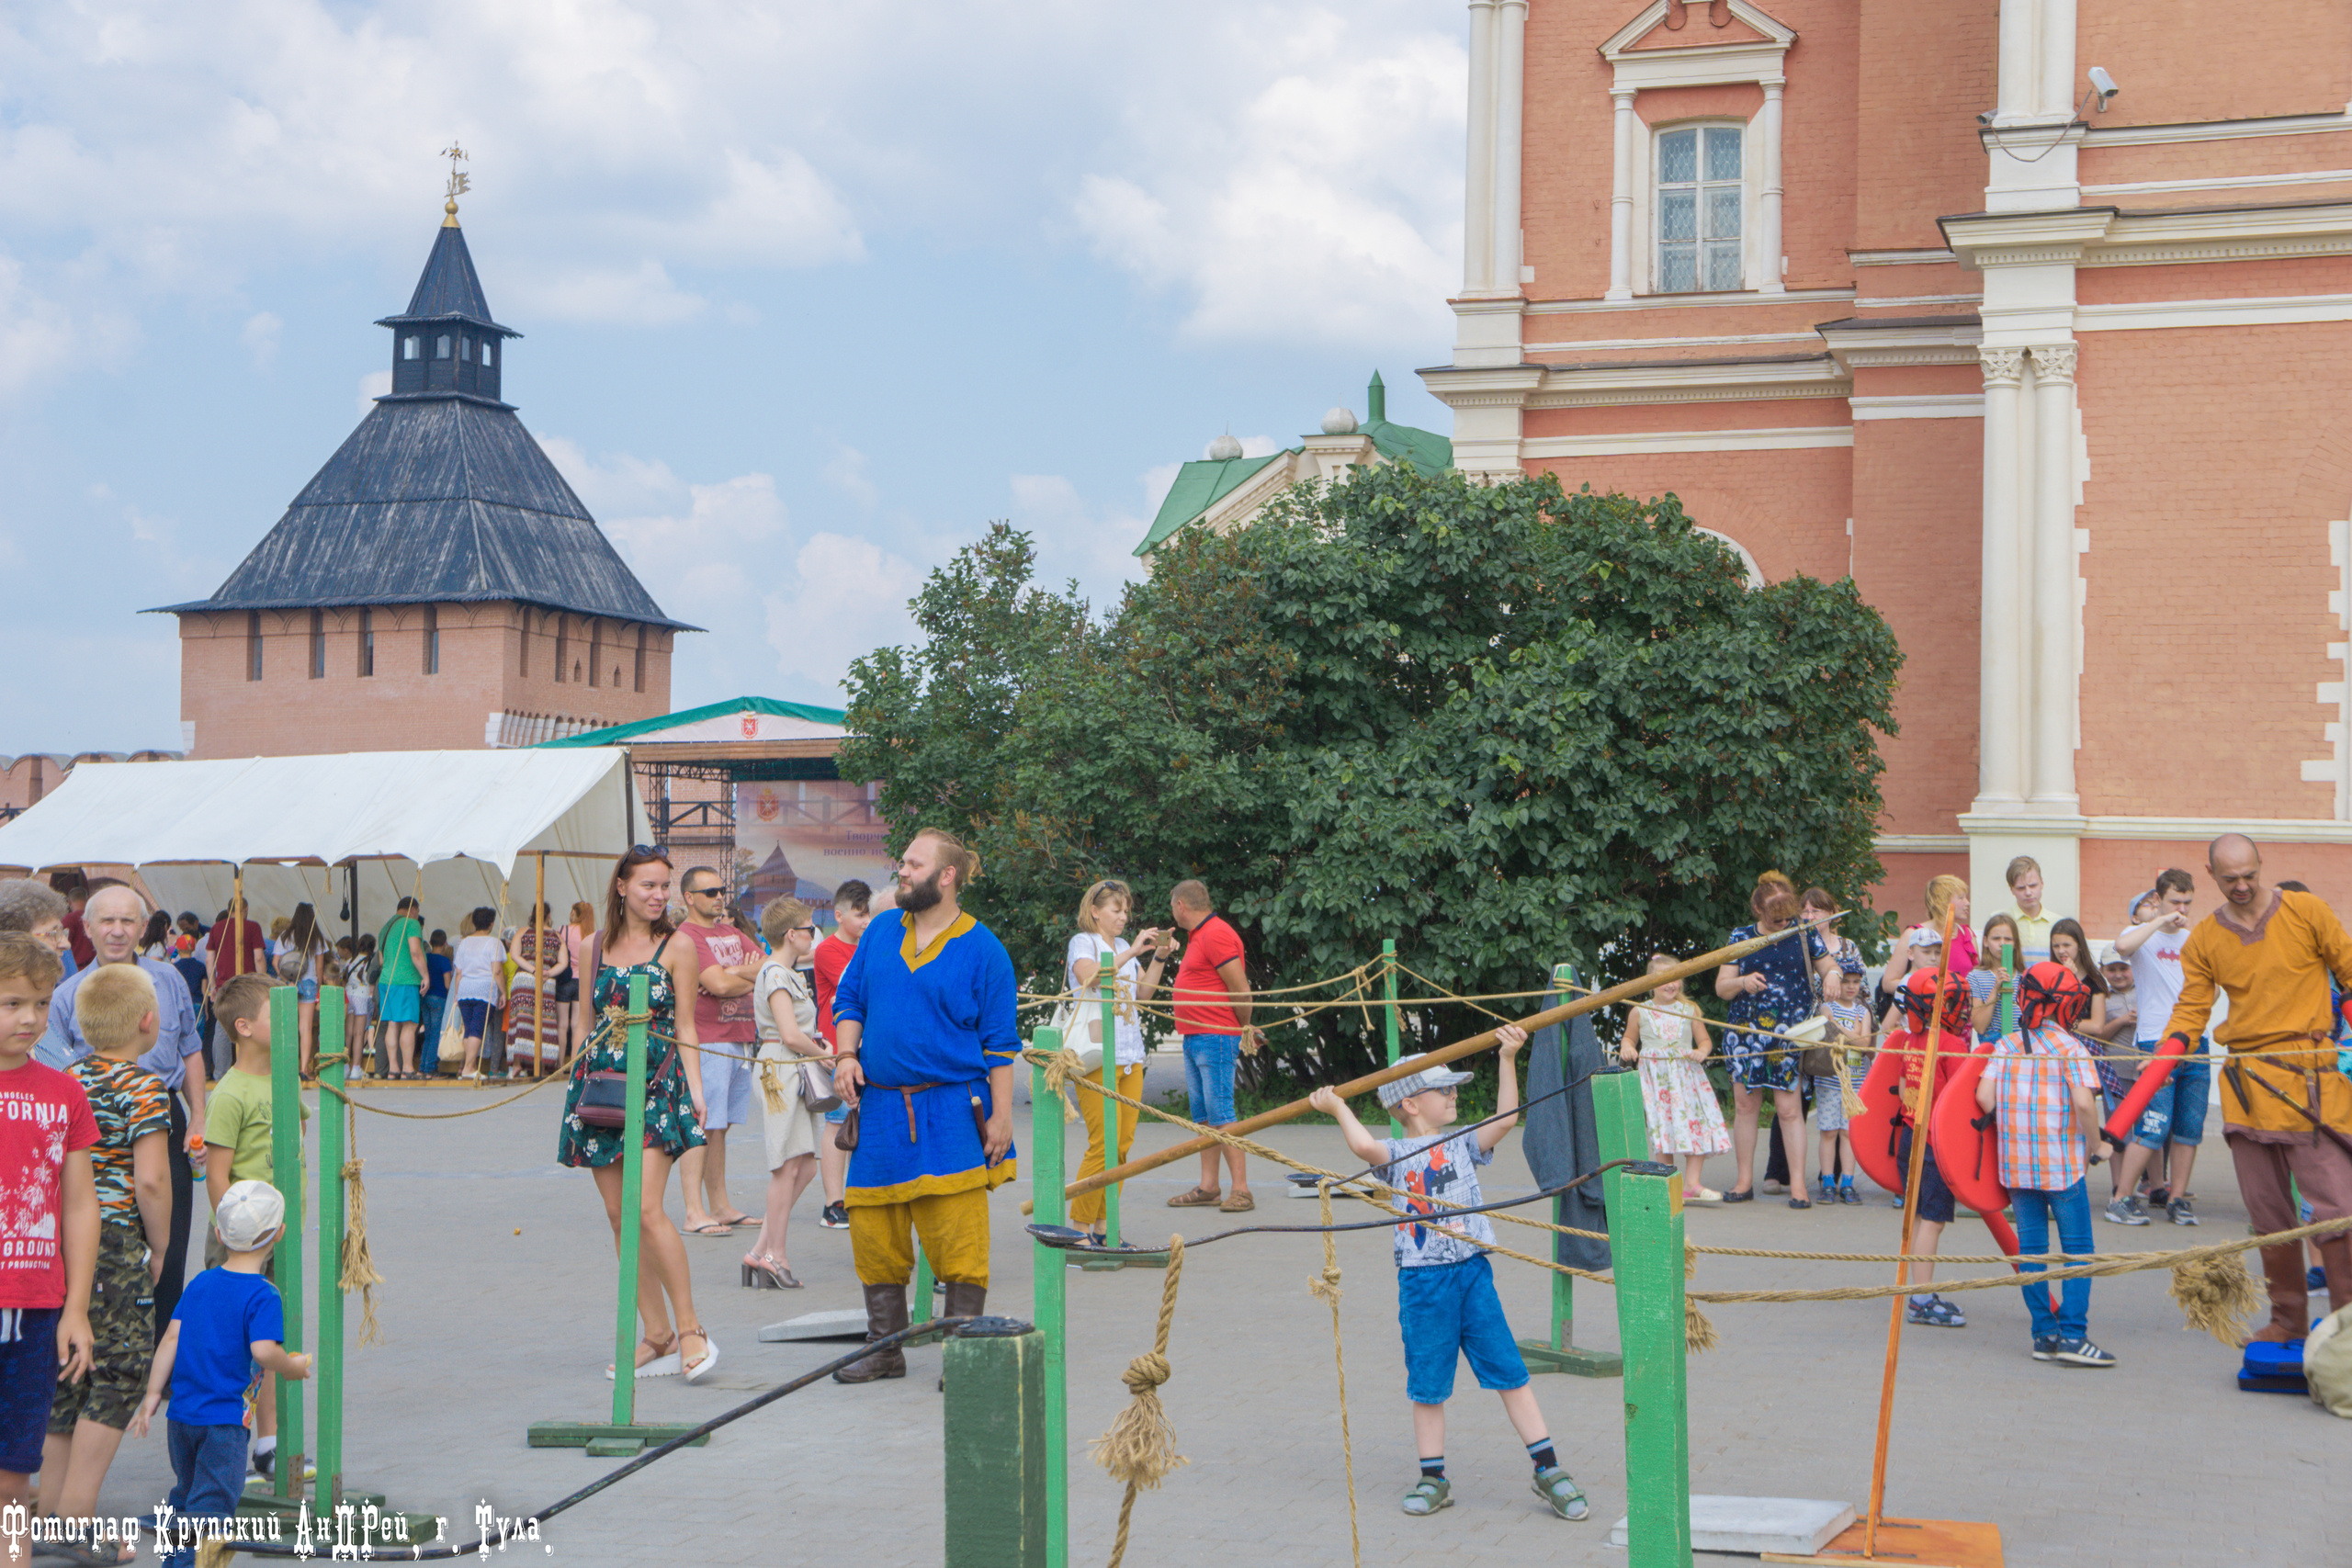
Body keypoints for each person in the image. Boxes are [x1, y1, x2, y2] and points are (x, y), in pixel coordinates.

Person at [1309, 1033, 1591, 1523]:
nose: (1455, 1096)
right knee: (1428, 1383)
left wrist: (1507, 1058)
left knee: (1509, 1371)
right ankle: (1433, 1476)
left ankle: (1547, 1468)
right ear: (1412, 1103)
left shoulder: (1463, 1142)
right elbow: (1361, 1145)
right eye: (1446, 1090)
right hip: (1422, 1284)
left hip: (1472, 1275)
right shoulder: (1393, 1154)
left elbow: (1505, 1120)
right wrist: (1335, 1106)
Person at [2138, 834, 2352, 1341]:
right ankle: (2287, 1319)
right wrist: (2171, 1047)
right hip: (2248, 1086)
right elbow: (2192, 1007)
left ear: (2261, 866)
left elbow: (2348, 968)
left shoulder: (2305, 910)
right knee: (2269, 1213)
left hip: (2311, 1083)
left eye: (2249, 875)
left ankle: (2347, 1322)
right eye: (2229, 878)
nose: (2241, 886)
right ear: (2210, 874)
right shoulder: (2206, 938)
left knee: (2337, 1209)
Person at [829, 829, 1019, 1384]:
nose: (902, 872)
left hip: (952, 1111)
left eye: (913, 864)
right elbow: (851, 997)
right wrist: (845, 1054)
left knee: (958, 1237)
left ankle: (963, 1357)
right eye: (903, 863)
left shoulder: (985, 950)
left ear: (947, 875)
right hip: (881, 1110)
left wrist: (1002, 1116)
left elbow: (1001, 1044)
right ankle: (885, 1348)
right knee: (872, 1229)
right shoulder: (884, 929)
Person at [559, 848, 717, 1381]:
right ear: (621, 886)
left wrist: (695, 1090)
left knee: (648, 1210)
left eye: (664, 886)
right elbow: (585, 1023)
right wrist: (574, 1086)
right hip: (599, 1087)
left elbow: (689, 1026)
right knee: (617, 1215)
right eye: (648, 885)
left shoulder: (678, 946)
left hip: (655, 1083)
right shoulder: (592, 946)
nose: (658, 895)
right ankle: (656, 1332)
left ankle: (691, 1328)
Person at [39, 964, 171, 1552]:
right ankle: (75, 1520)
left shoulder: (65, 1078)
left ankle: (48, 1512)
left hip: (63, 1240)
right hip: (116, 1240)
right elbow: (151, 1180)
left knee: (67, 1372)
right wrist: (160, 1246)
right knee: (118, 1372)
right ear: (148, 1020)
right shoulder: (144, 1087)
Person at [39, 884, 209, 1338]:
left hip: (163, 1115)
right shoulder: (66, 993)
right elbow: (54, 1069)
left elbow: (191, 1050)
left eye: (127, 921)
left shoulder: (169, 979)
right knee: (99, 1233)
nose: (117, 931)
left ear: (142, 928)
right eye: (107, 921)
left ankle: (160, 1357)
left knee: (169, 1244)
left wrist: (198, 1115)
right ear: (89, 928)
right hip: (92, 1126)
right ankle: (97, 1338)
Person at [130, 1180, 312, 1568]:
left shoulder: (200, 1283)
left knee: (186, 1496)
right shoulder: (264, 1294)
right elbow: (264, 1351)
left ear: (218, 1233)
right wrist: (291, 1367)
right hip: (225, 1423)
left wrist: (150, 1397)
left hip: (181, 1418)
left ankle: (174, 1561)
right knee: (212, 1510)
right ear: (279, 1234)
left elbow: (171, 1339)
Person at [0, 931, 96, 1533]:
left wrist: (77, 1309)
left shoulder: (65, 1092)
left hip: (38, 1309)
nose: (30, 1017)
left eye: (41, 1002)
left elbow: (81, 1204)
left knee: (14, 1473)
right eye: (12, 1003)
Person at [1977, 962, 2115, 1367]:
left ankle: (2043, 1334)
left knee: (2032, 1250)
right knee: (2078, 1250)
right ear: (2069, 1005)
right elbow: (2085, 1102)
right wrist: (2098, 1144)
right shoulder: (2073, 1048)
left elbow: (1985, 1100)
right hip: (2062, 1167)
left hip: (2017, 1166)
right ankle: (2073, 1336)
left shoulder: (2006, 1045)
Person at [198, 974, 300, 1481]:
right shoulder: (232, 1092)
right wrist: (237, 1241)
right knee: (241, 1345)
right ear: (244, 1027)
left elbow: (298, 1132)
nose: (290, 1022)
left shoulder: (284, 1079)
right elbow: (217, 1175)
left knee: (272, 1338)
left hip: (279, 1235)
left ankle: (270, 1443)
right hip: (241, 1244)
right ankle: (223, 1442)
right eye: (275, 1013)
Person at [1714, 871, 1834, 1206]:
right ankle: (1743, 1181)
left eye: (1786, 917)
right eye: (1775, 919)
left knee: (1789, 1110)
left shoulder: (1804, 931)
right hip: (1746, 1034)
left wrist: (1835, 976)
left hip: (1790, 1035)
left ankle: (1798, 1185)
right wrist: (1742, 982)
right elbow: (1722, 987)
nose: (1783, 923)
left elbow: (1828, 966)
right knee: (1746, 1106)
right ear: (1758, 911)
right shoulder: (1740, 936)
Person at [1067, 879, 1172, 1244]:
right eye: (1117, 910)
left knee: (1123, 1145)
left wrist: (1157, 957)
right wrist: (1131, 954)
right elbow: (1089, 978)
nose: (1124, 917)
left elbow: (1143, 994)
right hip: (1097, 1055)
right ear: (1095, 911)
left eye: (1126, 910)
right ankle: (1078, 1229)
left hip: (1130, 1056)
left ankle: (1104, 1227)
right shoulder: (1084, 943)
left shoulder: (1125, 946)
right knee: (1102, 1143)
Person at [2111, 870, 2202, 1226]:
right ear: (2159, 900)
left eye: (2187, 903)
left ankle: (2176, 1199)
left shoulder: (2194, 939)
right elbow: (2122, 948)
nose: (2182, 909)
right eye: (2174, 901)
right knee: (2154, 1123)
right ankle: (2121, 1198)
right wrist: (2161, 920)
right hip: (2154, 1040)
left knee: (2189, 1126)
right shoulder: (2142, 936)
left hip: (2195, 1040)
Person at [675, 867, 763, 1235]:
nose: (718, 897)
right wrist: (736, 974)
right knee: (703, 1123)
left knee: (721, 1127)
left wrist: (731, 972)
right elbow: (717, 984)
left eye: (721, 890)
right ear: (689, 898)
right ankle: (694, 1210)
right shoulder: (687, 936)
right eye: (709, 892)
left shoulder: (733, 932)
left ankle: (720, 1204)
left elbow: (772, 966)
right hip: (708, 1039)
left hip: (739, 1038)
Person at [745, 897, 825, 1290]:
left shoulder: (786, 972)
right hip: (782, 1066)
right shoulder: (775, 973)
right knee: (786, 1166)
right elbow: (790, 1034)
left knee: (805, 1165)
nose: (814, 933)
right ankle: (775, 1254)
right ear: (791, 934)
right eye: (810, 928)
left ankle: (761, 1250)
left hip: (794, 1065)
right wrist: (827, 1054)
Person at [1165, 879, 1257, 1213]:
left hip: (1215, 1035)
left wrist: (1242, 1027)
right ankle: (1209, 1186)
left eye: (1172, 905)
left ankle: (1242, 1189)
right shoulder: (1199, 935)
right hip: (1196, 1035)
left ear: (1181, 906)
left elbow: (1240, 989)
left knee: (1222, 1114)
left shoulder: (1216, 933)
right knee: (1203, 1115)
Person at [1892, 959, 1973, 1325]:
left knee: (1922, 1216)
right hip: (1935, 1144)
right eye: (1954, 1003)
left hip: (1911, 1135)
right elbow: (1965, 1099)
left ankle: (1919, 1290)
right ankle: (1921, 1299)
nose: (1961, 1010)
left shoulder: (1910, 1041)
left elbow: (1907, 1092)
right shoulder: (1952, 1044)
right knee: (1933, 1221)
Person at [1616, 953, 1727, 1203]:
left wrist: (1702, 1051)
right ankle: (1668, 1182)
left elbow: (1705, 1041)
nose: (1671, 984)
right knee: (1663, 1129)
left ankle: (1692, 1184)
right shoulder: (1640, 1012)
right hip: (1658, 1082)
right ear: (1651, 983)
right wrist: (1627, 1048)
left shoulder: (1690, 1010)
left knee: (1695, 1124)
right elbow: (1629, 1038)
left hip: (1687, 1080)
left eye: (1675, 979)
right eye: (1664, 979)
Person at [809, 880, 871, 1230]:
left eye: (869, 915)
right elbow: (861, 988)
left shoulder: (869, 947)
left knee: (859, 1123)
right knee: (837, 1123)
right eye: (860, 915)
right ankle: (833, 1203)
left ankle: (858, 1194)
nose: (865, 922)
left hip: (866, 1051)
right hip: (837, 1051)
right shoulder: (829, 950)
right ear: (839, 914)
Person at [1816, 955, 1870, 1204]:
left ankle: (1847, 1182)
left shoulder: (1863, 1010)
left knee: (1849, 1134)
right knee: (1829, 1132)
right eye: (1845, 981)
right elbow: (1830, 1028)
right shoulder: (1827, 1006)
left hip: (1855, 1082)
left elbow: (1864, 1042)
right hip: (1829, 1080)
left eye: (1855, 982)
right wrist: (1853, 1032)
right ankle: (1828, 1182)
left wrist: (1843, 1030)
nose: (1850, 986)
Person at [505, 905, 568, 1081]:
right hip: (546, 981)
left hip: (524, 978)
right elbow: (563, 962)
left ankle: (518, 1064)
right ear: (549, 915)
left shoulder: (523, 932)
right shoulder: (557, 936)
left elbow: (515, 955)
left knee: (521, 1020)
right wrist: (547, 972)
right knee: (544, 1021)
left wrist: (533, 970)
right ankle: (540, 1064)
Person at [375, 897, 428, 1082]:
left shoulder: (385, 928)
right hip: (405, 980)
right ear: (413, 909)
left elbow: (381, 961)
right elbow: (415, 951)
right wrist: (425, 976)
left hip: (386, 981)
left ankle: (393, 1069)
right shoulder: (411, 924)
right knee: (409, 1024)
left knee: (392, 1024)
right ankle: (407, 1068)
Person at [278, 904, 332, 1081]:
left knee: (287, 1027)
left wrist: (286, 980)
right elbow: (319, 967)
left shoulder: (285, 937)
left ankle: (287, 1067)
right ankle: (304, 1069)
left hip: (288, 984)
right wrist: (317, 988)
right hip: (308, 983)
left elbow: (275, 962)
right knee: (305, 1028)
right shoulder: (317, 938)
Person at [451, 909, 505, 1081]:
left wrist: (456, 993)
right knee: (477, 1029)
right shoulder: (493, 943)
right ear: (491, 924)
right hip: (484, 989)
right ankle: (468, 1067)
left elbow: (458, 972)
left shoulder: (464, 943)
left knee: (469, 1029)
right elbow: (497, 970)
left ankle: (471, 1066)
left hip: (465, 988)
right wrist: (503, 991)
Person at [2001, 856, 2056, 966]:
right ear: (2011, 889)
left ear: (2042, 883)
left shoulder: (2057, 923)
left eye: (2033, 886)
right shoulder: (2001, 921)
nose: (2028, 892)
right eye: (2021, 888)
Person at [421, 930, 453, 1076]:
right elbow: (447, 985)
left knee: (428, 1033)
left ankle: (422, 1066)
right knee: (436, 1034)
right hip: (439, 998)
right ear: (445, 944)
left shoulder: (425, 958)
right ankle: (430, 1068)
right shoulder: (445, 961)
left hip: (424, 997)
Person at [53, 873, 95, 971]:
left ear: (69, 901)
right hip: (96, 967)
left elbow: (61, 946)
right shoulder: (96, 917)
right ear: (87, 899)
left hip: (76, 969)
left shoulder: (69, 920)